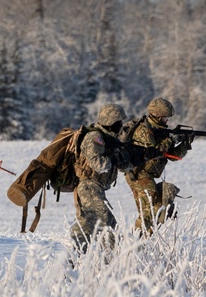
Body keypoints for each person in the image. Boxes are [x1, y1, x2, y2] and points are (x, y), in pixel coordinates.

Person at [70, 104, 135, 254]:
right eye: (119, 123)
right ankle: (113, 261)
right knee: (108, 224)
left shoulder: (108, 139)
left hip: (95, 188)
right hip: (89, 187)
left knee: (86, 227)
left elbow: (123, 166)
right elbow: (99, 165)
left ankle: (72, 261)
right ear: (110, 122)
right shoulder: (95, 138)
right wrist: (114, 155)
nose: (121, 126)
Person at [124, 97, 192, 236]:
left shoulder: (157, 130)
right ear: (156, 116)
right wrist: (171, 140)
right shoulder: (143, 130)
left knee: (157, 209)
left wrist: (185, 144)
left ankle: (144, 240)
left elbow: (172, 156)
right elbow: (153, 152)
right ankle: (134, 240)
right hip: (139, 174)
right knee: (153, 210)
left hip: (147, 175)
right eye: (164, 118)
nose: (167, 121)